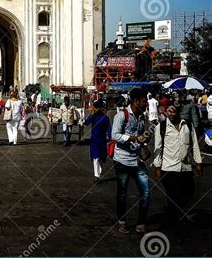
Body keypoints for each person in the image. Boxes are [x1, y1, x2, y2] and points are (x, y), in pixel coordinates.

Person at [153, 103, 202, 237]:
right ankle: (177, 227)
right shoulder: (161, 127)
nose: (171, 114)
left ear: (178, 112)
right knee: (175, 196)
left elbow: (195, 144)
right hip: (168, 169)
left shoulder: (188, 126)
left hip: (185, 167)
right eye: (169, 111)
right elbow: (157, 148)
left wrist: (198, 162)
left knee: (188, 191)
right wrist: (157, 167)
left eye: (173, 111)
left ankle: (172, 213)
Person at [112, 87, 151, 234]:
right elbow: (115, 136)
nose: (146, 103)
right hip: (122, 159)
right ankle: (122, 221)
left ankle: (141, 223)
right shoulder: (121, 116)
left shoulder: (141, 117)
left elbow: (141, 134)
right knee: (122, 193)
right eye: (144, 101)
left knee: (146, 191)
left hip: (137, 160)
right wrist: (134, 138)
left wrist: (145, 145)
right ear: (136, 101)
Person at [85, 100, 111, 180]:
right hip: (93, 140)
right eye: (94, 108)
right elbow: (86, 123)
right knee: (95, 157)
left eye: (96, 108)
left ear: (100, 108)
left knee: (101, 158)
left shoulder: (105, 118)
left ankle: (98, 173)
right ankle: (96, 175)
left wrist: (110, 137)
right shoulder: (93, 117)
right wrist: (92, 114)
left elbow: (109, 128)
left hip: (102, 141)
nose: (95, 109)